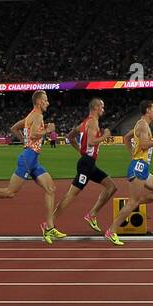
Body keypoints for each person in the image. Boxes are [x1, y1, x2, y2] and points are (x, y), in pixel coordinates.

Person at [0, 90, 63, 243]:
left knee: (51, 189)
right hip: (27, 158)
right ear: (38, 102)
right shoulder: (37, 116)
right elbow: (34, 135)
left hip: (33, 159)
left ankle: (49, 228)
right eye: (46, 100)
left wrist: (25, 140)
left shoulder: (30, 116)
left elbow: (13, 128)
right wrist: (47, 131)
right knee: (10, 192)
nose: (48, 103)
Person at [105, 101, 153, 246]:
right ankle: (111, 231)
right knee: (133, 202)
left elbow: (126, 138)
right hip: (139, 167)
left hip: (143, 167)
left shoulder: (141, 125)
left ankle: (135, 201)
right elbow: (145, 145)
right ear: (148, 110)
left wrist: (132, 155)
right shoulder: (142, 125)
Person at [54, 98, 118, 233]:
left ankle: (92, 215)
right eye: (102, 107)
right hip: (86, 165)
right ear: (95, 107)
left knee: (111, 187)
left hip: (89, 163)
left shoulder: (84, 123)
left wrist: (80, 152)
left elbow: (70, 137)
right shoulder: (93, 122)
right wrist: (105, 136)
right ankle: (49, 224)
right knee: (70, 196)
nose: (103, 109)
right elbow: (91, 142)